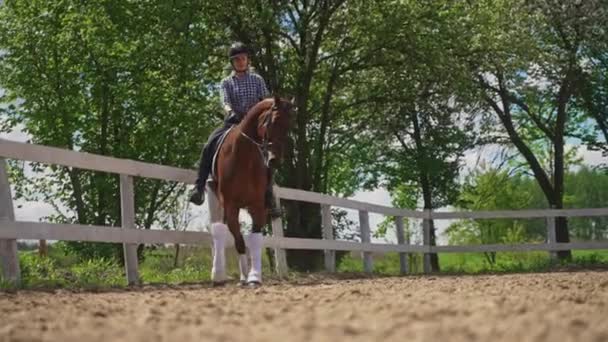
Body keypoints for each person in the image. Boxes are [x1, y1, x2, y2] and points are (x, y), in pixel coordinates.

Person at [189, 42, 281, 217]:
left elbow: (265, 101)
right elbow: (225, 101)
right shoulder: (226, 82)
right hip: (234, 121)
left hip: (254, 125)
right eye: (237, 59)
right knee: (209, 143)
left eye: (243, 58)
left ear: (248, 60)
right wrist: (229, 111)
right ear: (232, 62)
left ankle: (269, 196)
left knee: (269, 152)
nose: (240, 62)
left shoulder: (257, 79)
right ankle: (199, 187)